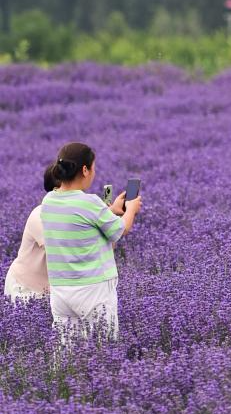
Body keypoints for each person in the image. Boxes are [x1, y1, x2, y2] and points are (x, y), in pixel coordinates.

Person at [41, 141, 142, 340]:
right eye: (93, 167)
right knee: (104, 347)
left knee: (66, 350)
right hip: (93, 289)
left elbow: (79, 222)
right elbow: (120, 230)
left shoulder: (48, 201)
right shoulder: (90, 203)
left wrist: (109, 210)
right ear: (85, 170)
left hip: (61, 290)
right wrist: (130, 209)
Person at [4, 166, 60, 303]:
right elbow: (62, 252)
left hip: (48, 291)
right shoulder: (40, 215)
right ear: (56, 190)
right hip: (24, 287)